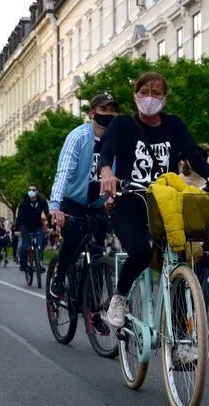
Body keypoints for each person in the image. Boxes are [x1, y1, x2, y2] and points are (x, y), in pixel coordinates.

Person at [98, 72, 209, 349]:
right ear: (135, 96)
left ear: (165, 98)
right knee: (141, 253)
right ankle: (119, 298)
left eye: (157, 93)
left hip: (164, 206)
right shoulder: (123, 124)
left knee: (180, 263)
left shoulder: (174, 125)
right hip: (129, 202)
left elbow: (194, 154)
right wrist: (107, 172)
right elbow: (107, 151)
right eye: (145, 91)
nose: (150, 97)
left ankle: (181, 340)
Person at [49, 93, 119, 299]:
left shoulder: (114, 141)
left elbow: (120, 172)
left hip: (97, 205)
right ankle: (60, 276)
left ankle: (94, 307)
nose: (108, 114)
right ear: (92, 113)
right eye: (103, 110)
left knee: (98, 254)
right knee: (72, 239)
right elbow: (64, 172)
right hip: (73, 202)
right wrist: (55, 205)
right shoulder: (78, 137)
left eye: (111, 110)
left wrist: (113, 198)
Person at [15, 184, 49, 273]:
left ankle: (40, 264)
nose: (31, 191)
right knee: (24, 246)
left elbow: (47, 213)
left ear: (37, 192)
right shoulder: (23, 202)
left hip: (38, 226)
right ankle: (23, 264)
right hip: (26, 227)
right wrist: (17, 229)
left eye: (33, 190)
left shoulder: (42, 201)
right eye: (29, 190)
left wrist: (51, 226)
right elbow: (19, 217)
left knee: (40, 246)